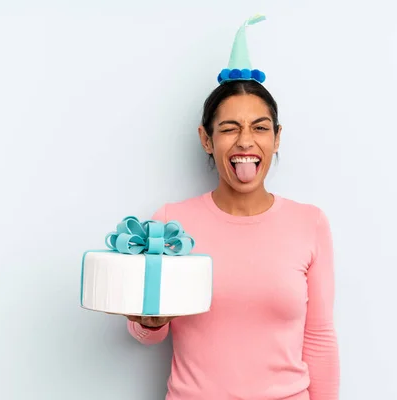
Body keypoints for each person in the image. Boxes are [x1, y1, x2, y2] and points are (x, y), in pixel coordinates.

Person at [125, 15, 339, 400]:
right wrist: (149, 323)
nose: (245, 141)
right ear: (206, 139)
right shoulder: (171, 223)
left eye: (259, 127)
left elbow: (320, 338)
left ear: (276, 138)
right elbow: (145, 333)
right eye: (228, 129)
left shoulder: (310, 223)